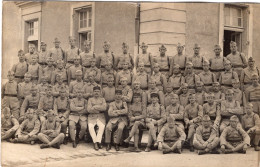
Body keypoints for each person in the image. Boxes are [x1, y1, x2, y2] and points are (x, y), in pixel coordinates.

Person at [87, 86, 107, 150]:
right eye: (95, 91)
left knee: (102, 126)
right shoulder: (90, 99)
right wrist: (99, 108)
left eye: (98, 91)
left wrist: (94, 106)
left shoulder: (102, 99)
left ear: (100, 92)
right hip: (92, 117)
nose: (96, 93)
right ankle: (95, 142)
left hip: (100, 116)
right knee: (90, 127)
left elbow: (104, 108)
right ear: (93, 92)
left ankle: (98, 141)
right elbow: (89, 109)